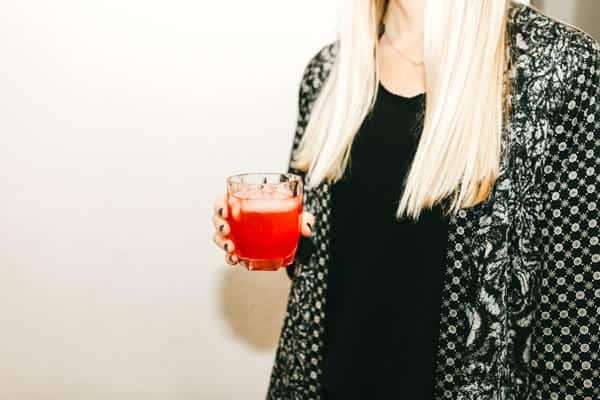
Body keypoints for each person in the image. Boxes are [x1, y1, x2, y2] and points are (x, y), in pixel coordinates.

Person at [212, 0, 599, 398]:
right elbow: (334, 261)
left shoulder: (559, 69)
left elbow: (577, 325)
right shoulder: (329, 72)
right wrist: (271, 238)